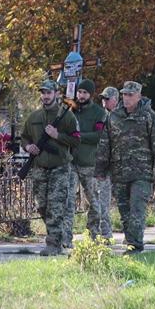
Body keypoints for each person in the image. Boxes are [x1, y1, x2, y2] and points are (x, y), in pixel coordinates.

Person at [95, 81, 155, 254]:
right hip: (119, 172)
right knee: (124, 211)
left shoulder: (149, 116)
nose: (126, 98)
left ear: (139, 96)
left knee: (137, 208)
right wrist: (100, 169)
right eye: (124, 94)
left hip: (142, 173)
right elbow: (105, 144)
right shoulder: (114, 117)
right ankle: (130, 242)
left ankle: (135, 245)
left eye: (130, 95)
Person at [21, 79, 81, 256]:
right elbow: (24, 137)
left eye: (48, 93)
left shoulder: (67, 116)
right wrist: (28, 147)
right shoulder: (34, 117)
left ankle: (53, 244)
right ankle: (58, 237)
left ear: (56, 94)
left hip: (59, 168)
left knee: (56, 207)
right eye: (43, 93)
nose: (45, 96)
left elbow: (76, 140)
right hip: (39, 167)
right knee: (43, 207)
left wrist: (57, 135)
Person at [63, 79, 106, 246]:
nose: (81, 96)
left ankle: (92, 236)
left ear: (91, 95)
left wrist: (79, 137)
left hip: (89, 164)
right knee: (68, 201)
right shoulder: (70, 111)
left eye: (85, 93)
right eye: (79, 92)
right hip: (71, 162)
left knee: (94, 203)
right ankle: (66, 238)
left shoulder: (99, 112)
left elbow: (98, 136)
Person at [96, 85, 119, 239]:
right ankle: (104, 234)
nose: (104, 101)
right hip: (101, 165)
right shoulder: (99, 116)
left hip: (118, 165)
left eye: (107, 98)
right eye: (103, 98)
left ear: (115, 100)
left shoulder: (121, 117)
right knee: (100, 201)